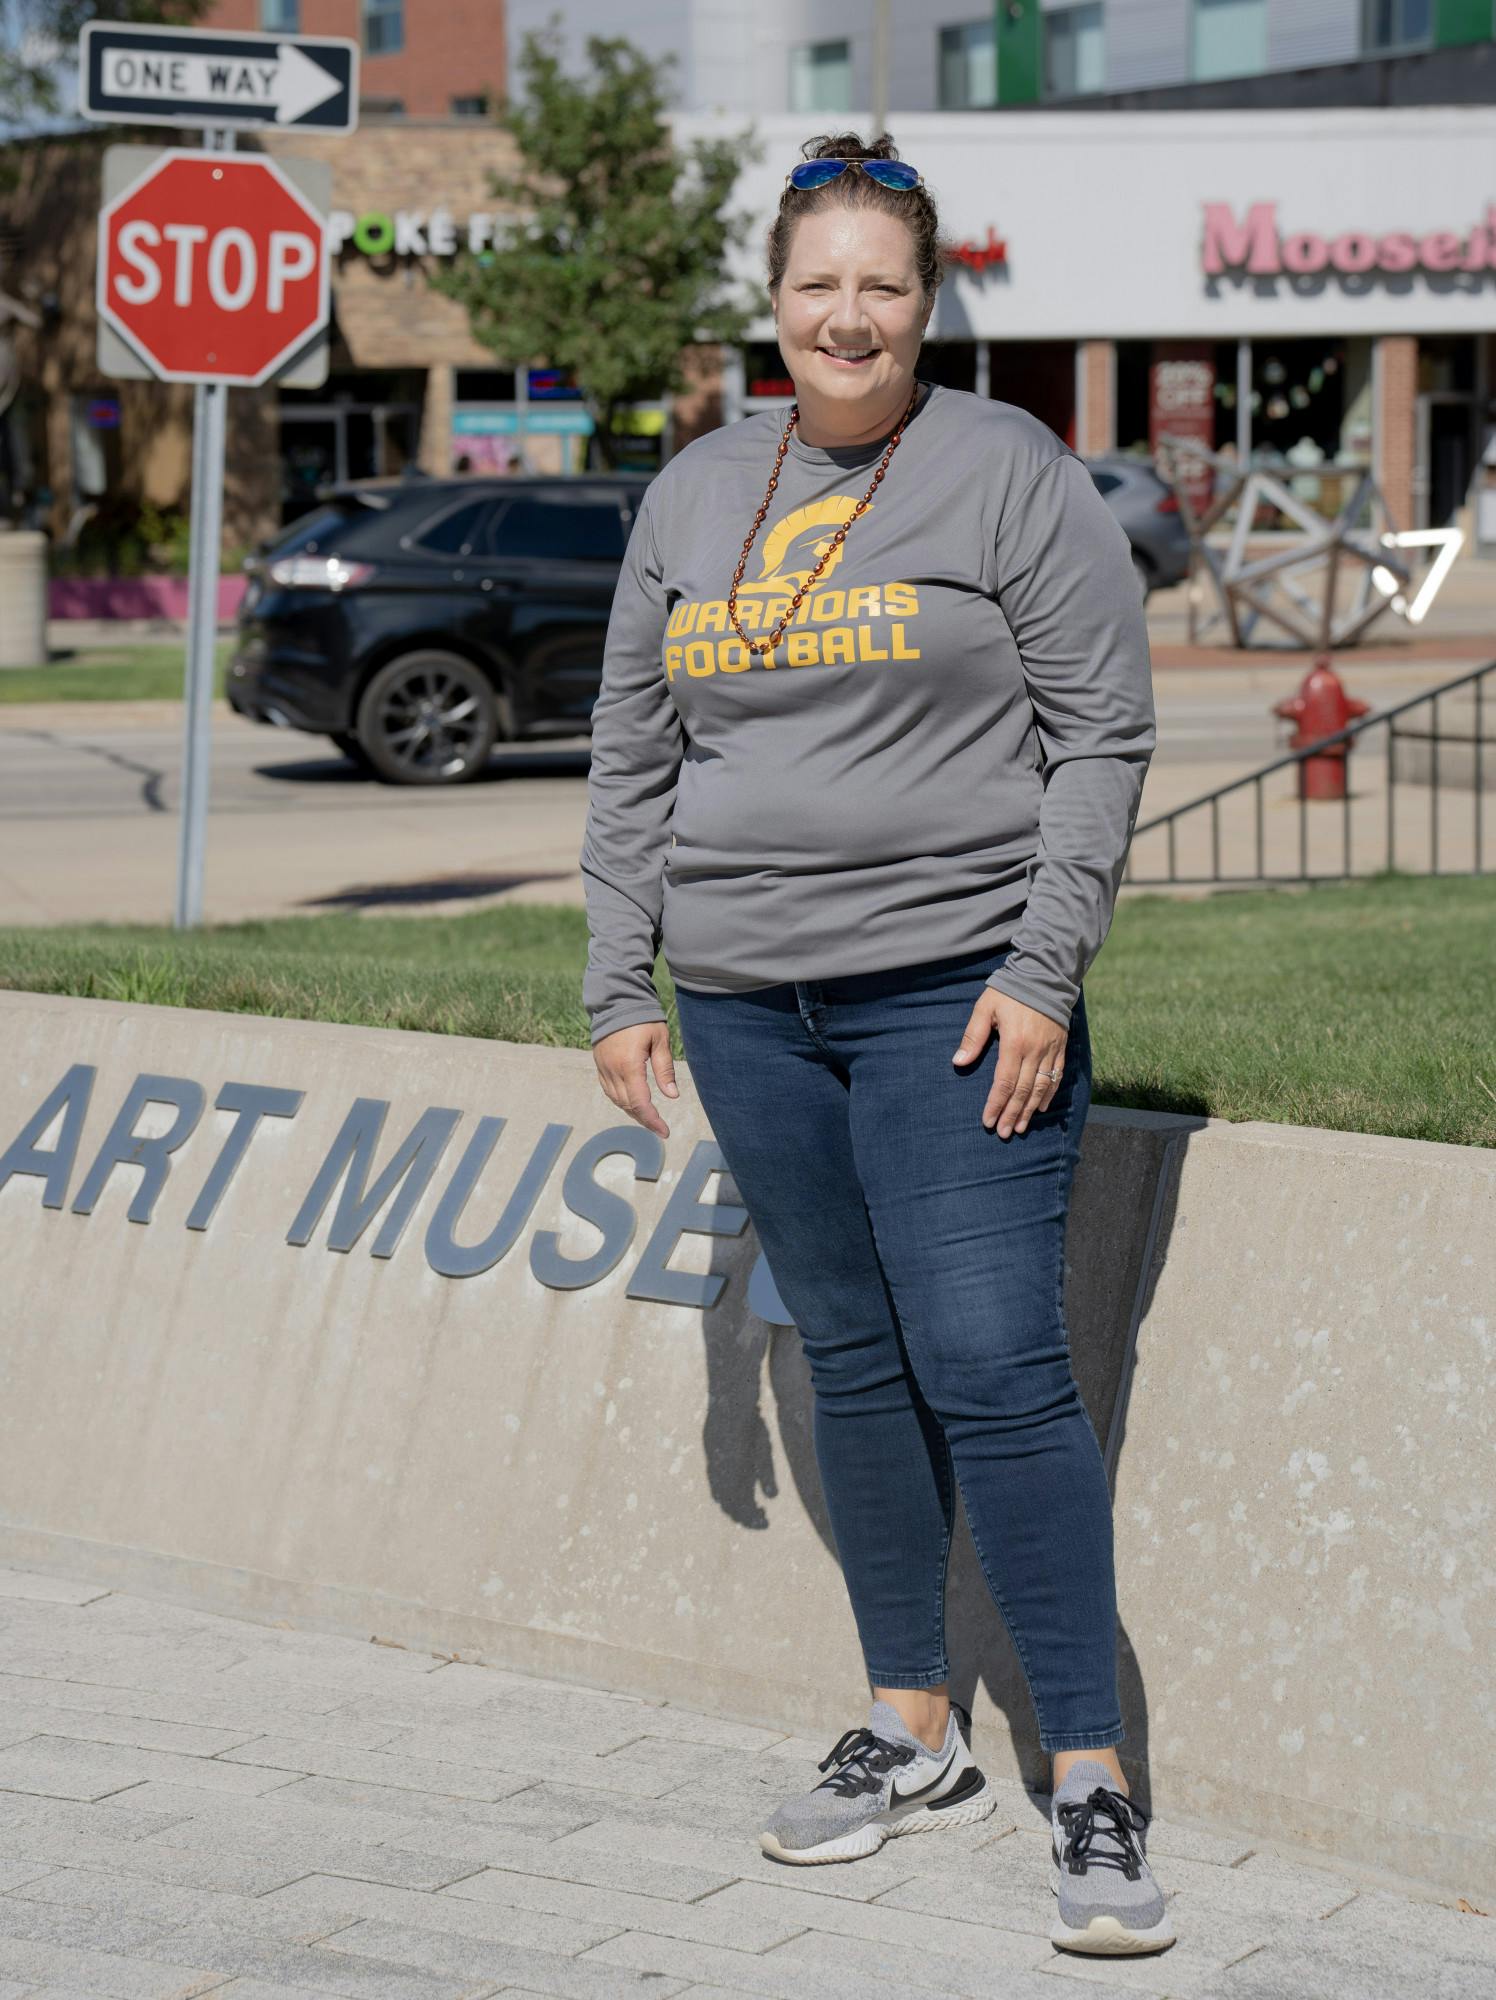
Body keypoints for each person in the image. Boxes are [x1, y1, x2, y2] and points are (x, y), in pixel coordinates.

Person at [579, 131, 1171, 1959]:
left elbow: (1105, 734)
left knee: (993, 1362)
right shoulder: (692, 495)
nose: (849, 315)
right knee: (848, 1354)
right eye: (817, 283)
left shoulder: (1004, 470)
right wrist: (622, 981)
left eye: (883, 286)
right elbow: (630, 754)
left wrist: (1045, 972)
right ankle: (907, 1725)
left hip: (954, 996)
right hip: (750, 1007)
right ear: (774, 302)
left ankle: (1090, 1776)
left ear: (926, 307)